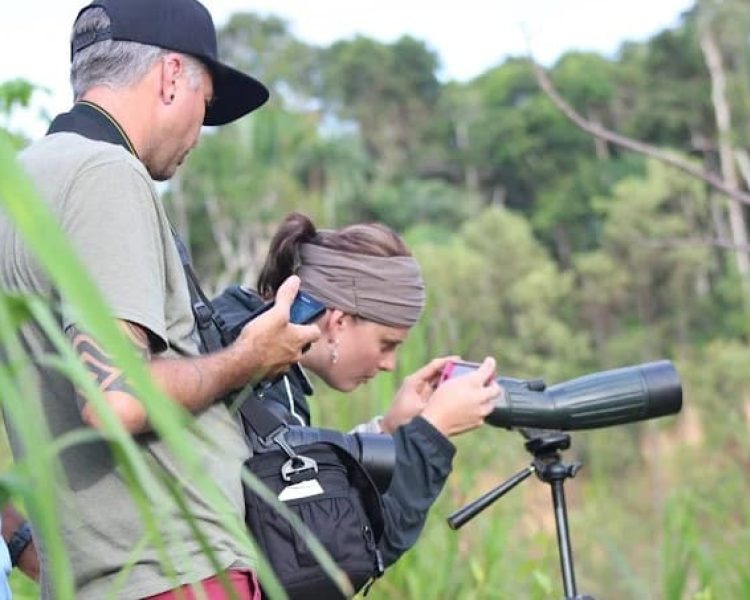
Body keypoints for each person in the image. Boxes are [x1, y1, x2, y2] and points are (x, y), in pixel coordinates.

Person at [0, 1, 319, 598]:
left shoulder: (19, 185)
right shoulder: (104, 173)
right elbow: (113, 398)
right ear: (172, 76)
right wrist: (249, 358)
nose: (199, 134)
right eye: (206, 106)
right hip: (173, 571)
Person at [215, 212, 501, 568]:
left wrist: (388, 432)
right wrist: (432, 433)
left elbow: (299, 476)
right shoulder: (267, 384)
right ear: (338, 322)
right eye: (387, 344)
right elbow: (335, 551)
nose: (390, 365)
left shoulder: (226, 328)